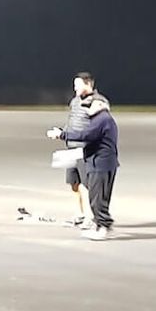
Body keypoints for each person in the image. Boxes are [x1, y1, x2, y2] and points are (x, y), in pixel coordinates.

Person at [47, 84, 119, 239]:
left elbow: (86, 135)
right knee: (96, 196)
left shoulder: (102, 120)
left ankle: (103, 226)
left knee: (97, 197)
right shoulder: (99, 119)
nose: (87, 109)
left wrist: (62, 135)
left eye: (89, 106)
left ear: (100, 105)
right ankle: (100, 224)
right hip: (98, 162)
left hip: (101, 163)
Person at [58, 73, 98, 225]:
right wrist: (64, 133)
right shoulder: (75, 101)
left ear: (88, 84)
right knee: (73, 183)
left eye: (78, 85)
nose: (75, 88)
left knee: (86, 184)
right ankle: (79, 213)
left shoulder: (96, 102)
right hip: (71, 146)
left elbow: (96, 126)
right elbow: (72, 119)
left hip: (85, 148)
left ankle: (90, 215)